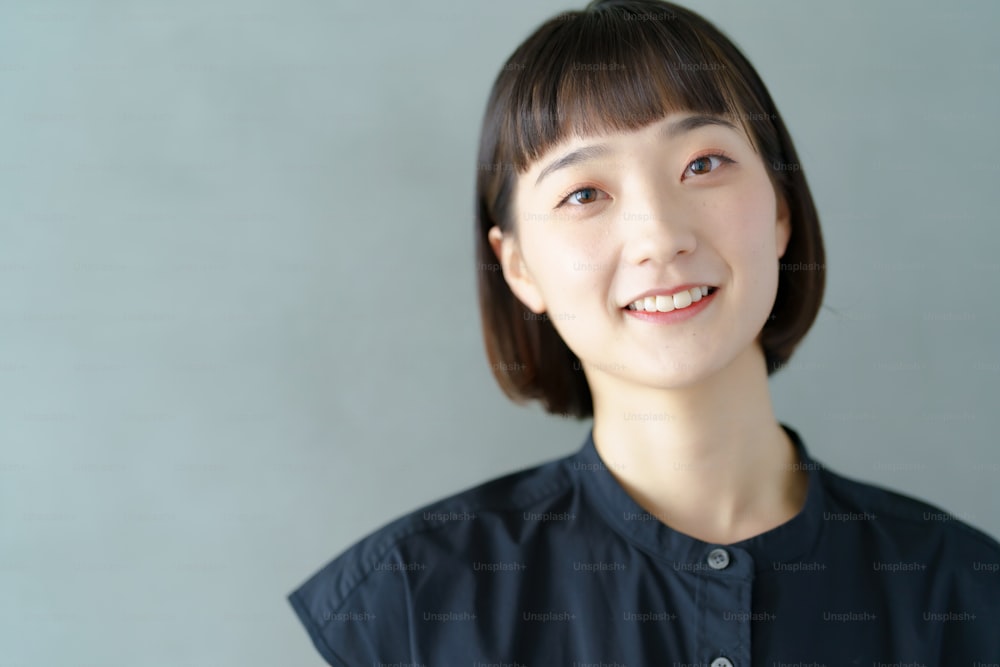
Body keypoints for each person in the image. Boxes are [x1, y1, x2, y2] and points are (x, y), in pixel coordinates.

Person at [287, 1, 1000, 664]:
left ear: (780, 210)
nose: (659, 236)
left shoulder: (966, 592)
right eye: (584, 194)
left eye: (703, 164)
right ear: (519, 266)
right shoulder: (411, 604)